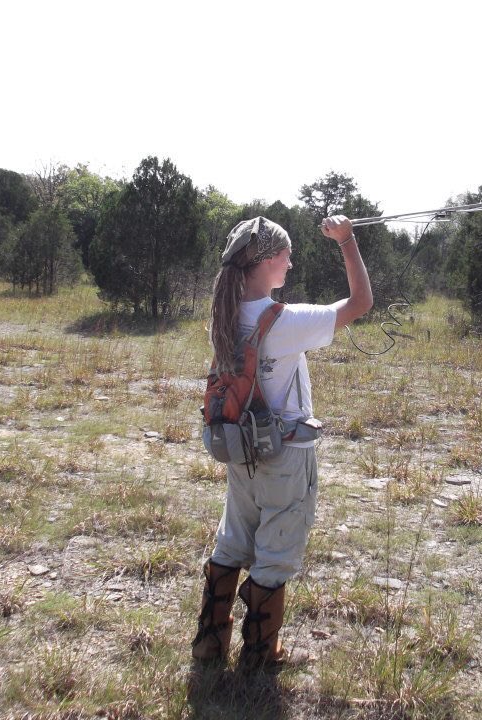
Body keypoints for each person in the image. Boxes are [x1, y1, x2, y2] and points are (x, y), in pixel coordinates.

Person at [191, 214, 372, 669]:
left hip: (240, 450)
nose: (290, 264)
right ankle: (259, 656)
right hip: (286, 456)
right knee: (275, 551)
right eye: (286, 255)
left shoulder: (225, 315)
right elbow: (361, 302)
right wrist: (347, 241)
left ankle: (209, 644)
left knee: (233, 540)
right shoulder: (286, 322)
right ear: (267, 260)